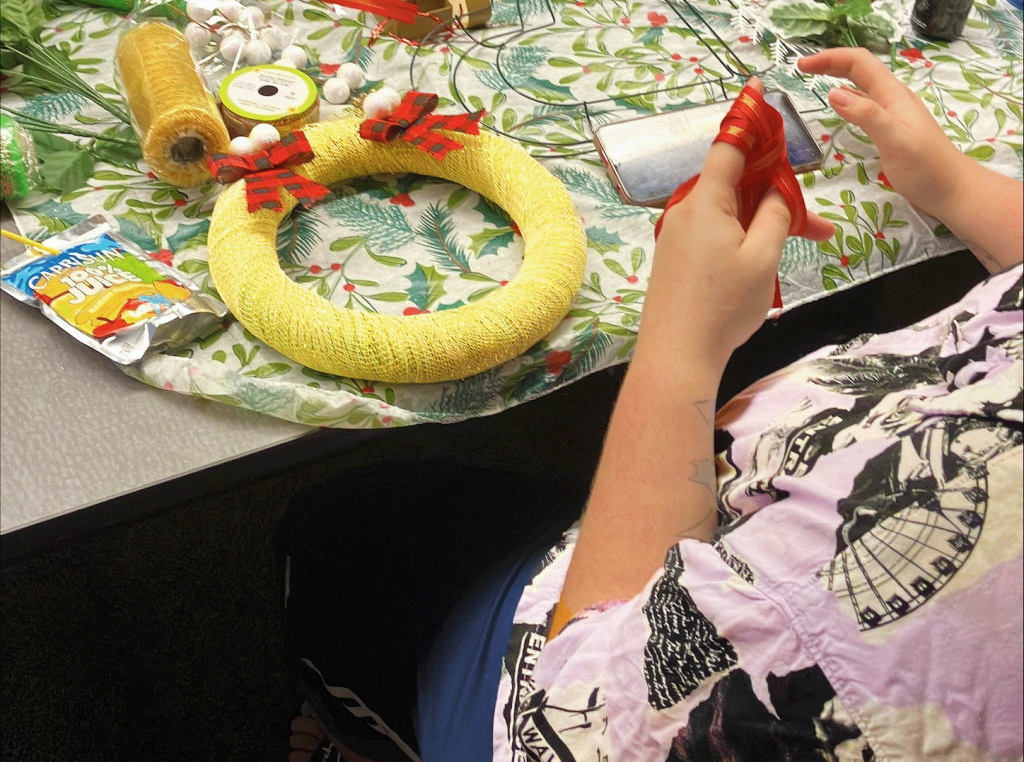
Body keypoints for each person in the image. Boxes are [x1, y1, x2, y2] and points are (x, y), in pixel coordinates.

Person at [281, 48, 1023, 762]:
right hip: (747, 489)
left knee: (349, 535)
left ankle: (364, 735)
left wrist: (679, 346)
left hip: (570, 686)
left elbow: (572, 723)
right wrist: (957, 186)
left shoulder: (856, 645)